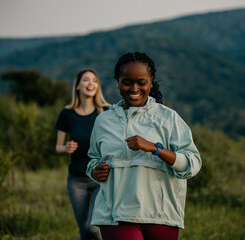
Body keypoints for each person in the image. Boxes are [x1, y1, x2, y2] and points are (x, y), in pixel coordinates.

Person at [86, 52, 202, 240]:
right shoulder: (103, 121)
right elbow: (93, 160)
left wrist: (156, 148)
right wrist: (95, 170)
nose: (134, 88)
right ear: (117, 81)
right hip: (115, 215)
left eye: (141, 82)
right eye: (127, 82)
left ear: (151, 80)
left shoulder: (168, 118)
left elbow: (192, 164)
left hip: (161, 215)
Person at [55, 68, 110, 240]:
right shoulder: (67, 113)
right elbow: (58, 146)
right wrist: (66, 148)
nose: (91, 83)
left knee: (94, 228)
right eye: (86, 80)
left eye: (94, 80)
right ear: (78, 86)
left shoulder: (106, 111)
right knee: (84, 231)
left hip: (100, 178)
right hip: (76, 180)